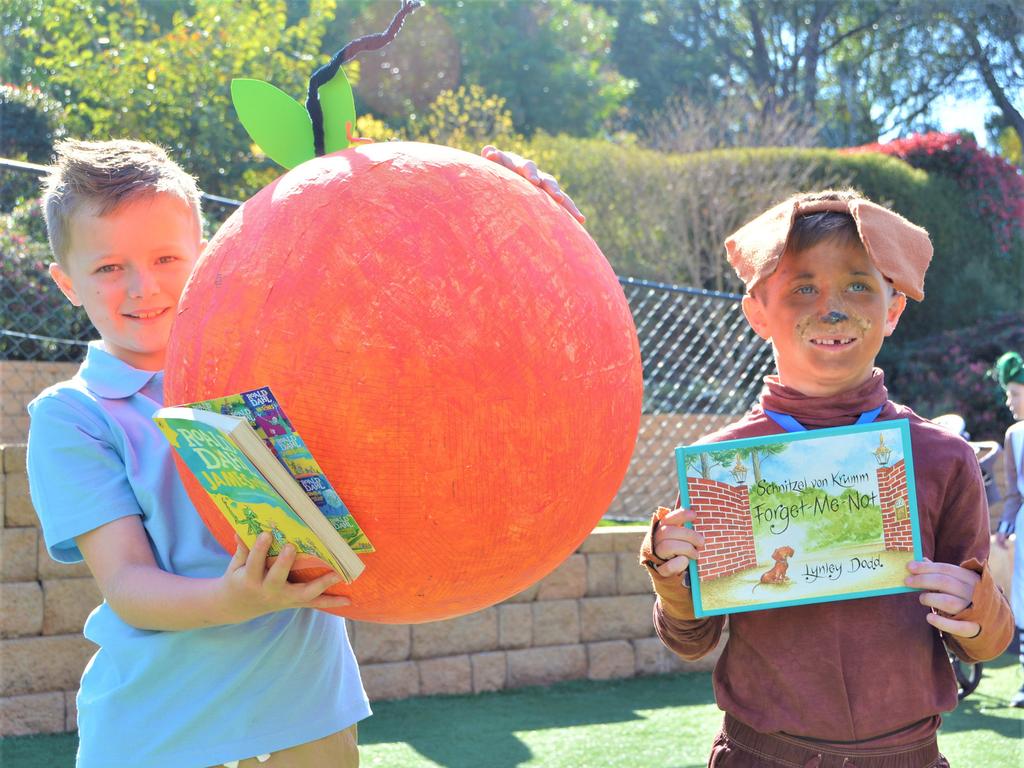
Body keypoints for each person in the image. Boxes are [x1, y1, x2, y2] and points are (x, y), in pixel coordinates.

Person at [27, 138, 580, 768]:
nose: (142, 287)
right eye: (107, 268)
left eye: (165, 257)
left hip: (308, 717)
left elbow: (388, 266)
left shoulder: (287, 356)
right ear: (66, 282)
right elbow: (127, 585)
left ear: (207, 256)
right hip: (161, 729)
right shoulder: (73, 415)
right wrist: (234, 600)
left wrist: (496, 198)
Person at [639, 189, 1014, 767]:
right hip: (761, 755)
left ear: (893, 309)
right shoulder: (725, 465)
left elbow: (987, 641)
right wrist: (671, 570)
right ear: (758, 311)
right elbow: (692, 639)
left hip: (907, 756)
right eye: (803, 287)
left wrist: (975, 606)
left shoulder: (941, 457)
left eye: (859, 285)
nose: (832, 308)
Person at [994, 350, 1024, 707]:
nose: (1009, 401)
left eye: (1014, 393)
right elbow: (1014, 491)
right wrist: (1004, 526)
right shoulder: (1014, 435)